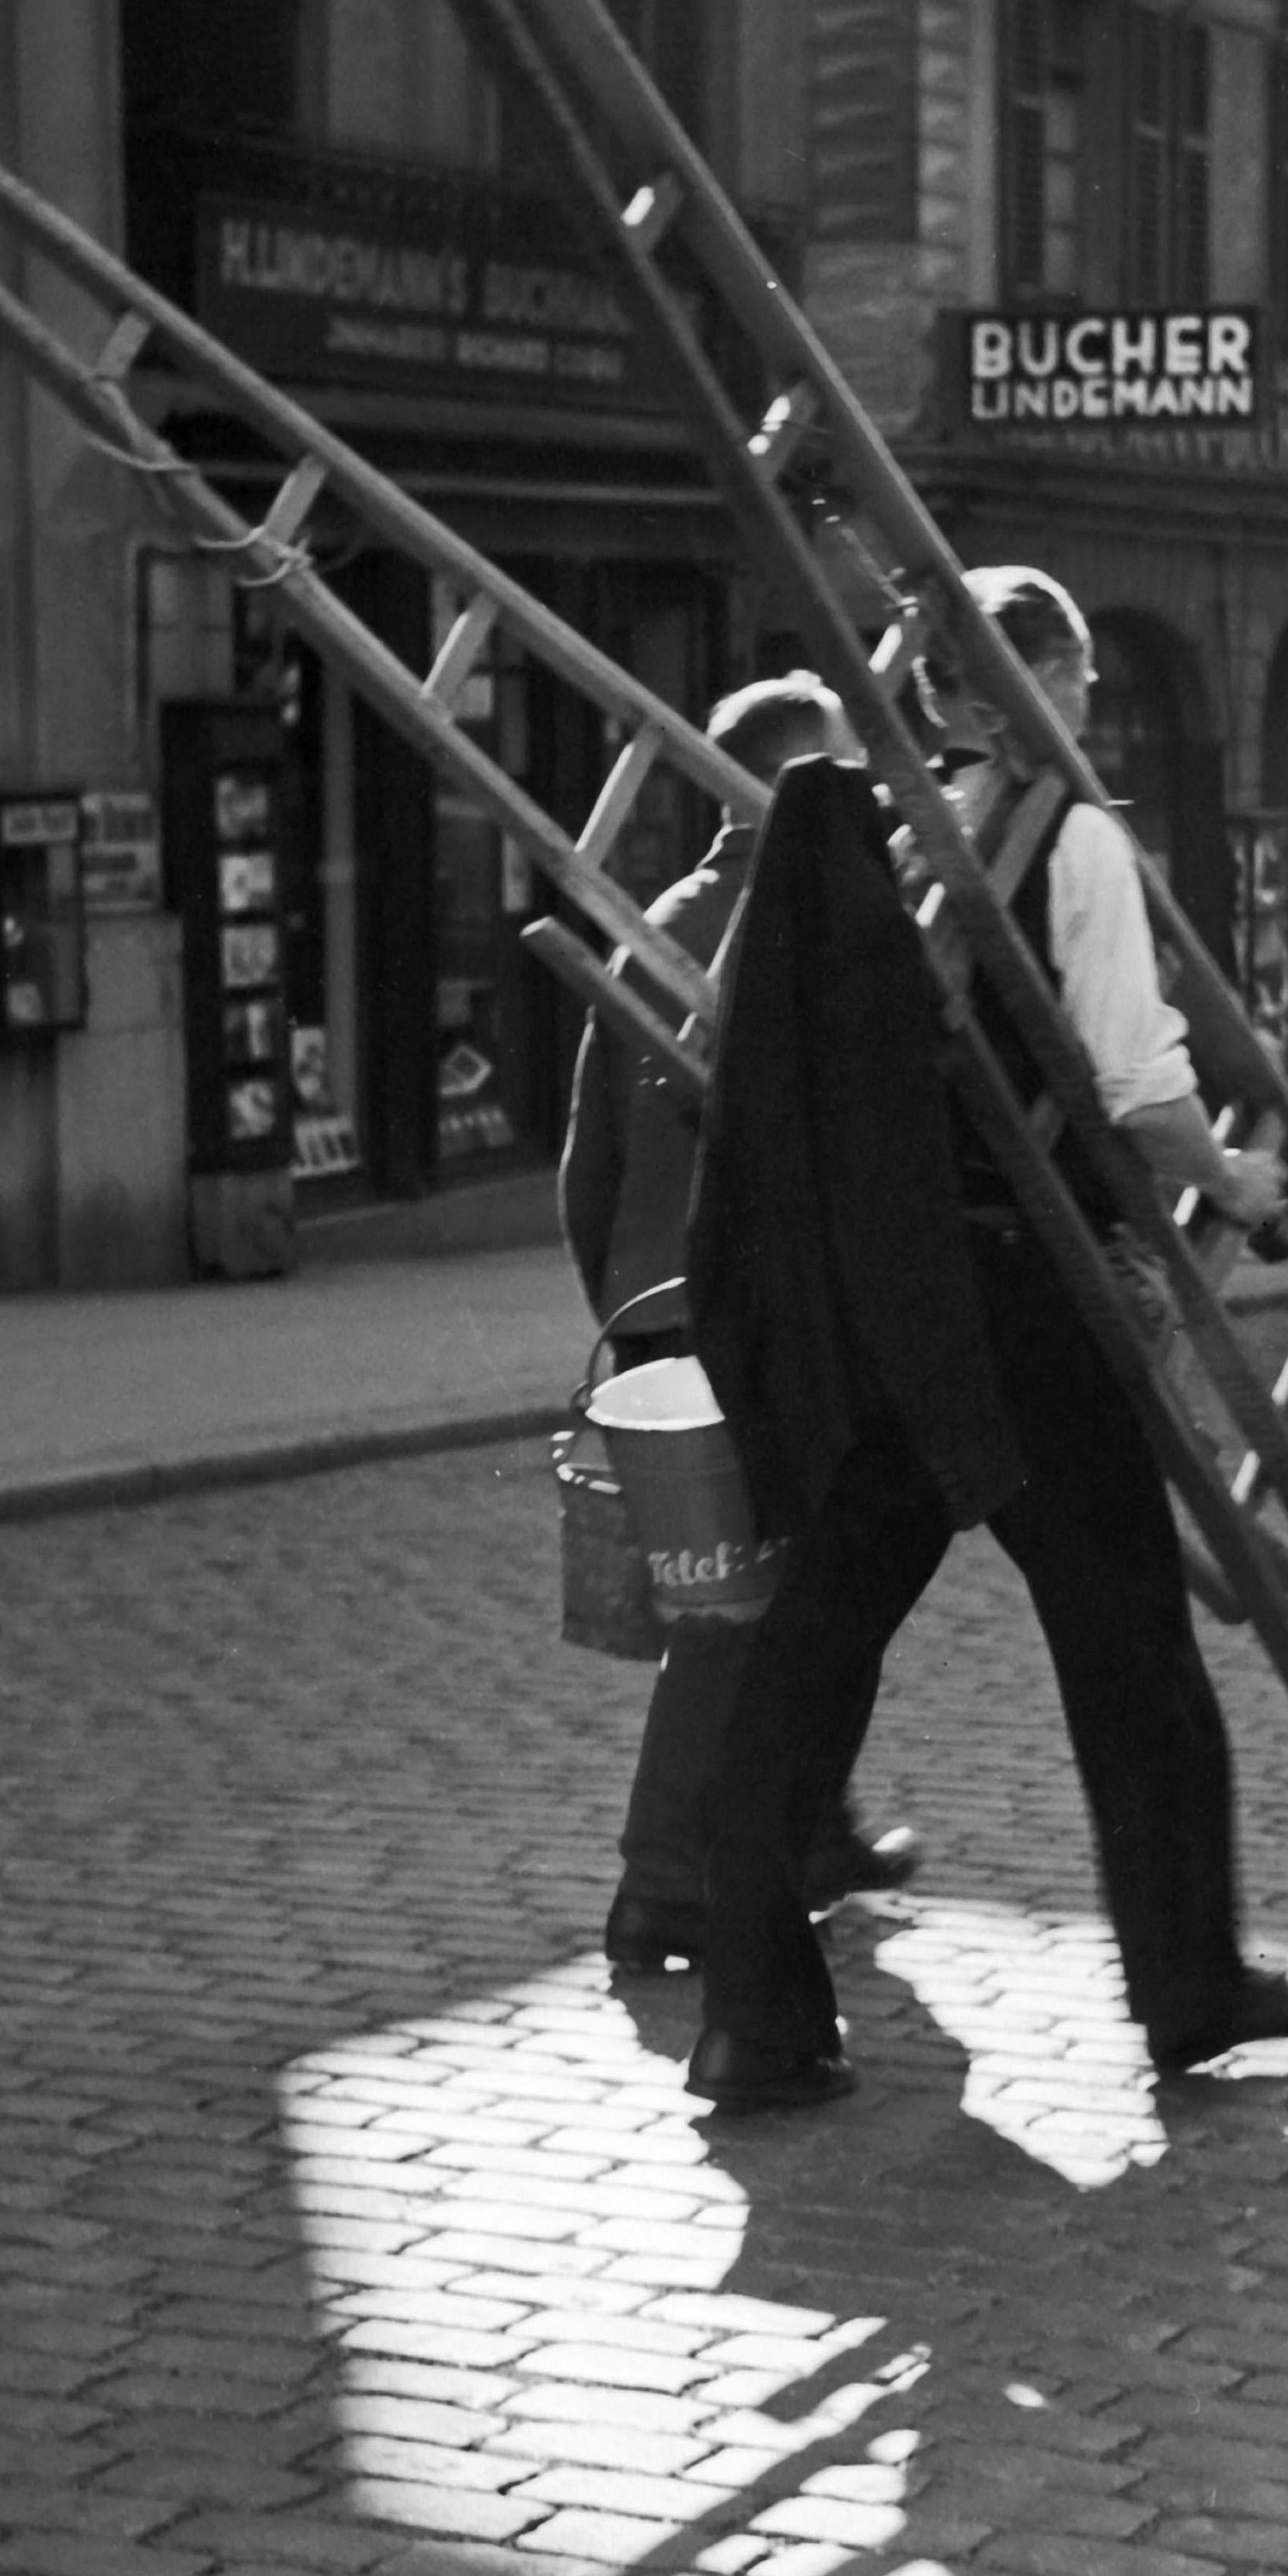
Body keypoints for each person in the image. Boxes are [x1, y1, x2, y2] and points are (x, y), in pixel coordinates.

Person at [678, 566, 1288, 2118]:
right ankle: (1187, 1984)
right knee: (1131, 1648)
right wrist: (1240, 1183)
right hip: (1029, 1293)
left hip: (900, 1291)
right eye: (1066, 678)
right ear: (1001, 690)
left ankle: (752, 2018)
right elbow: (1142, 1092)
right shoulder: (1076, 837)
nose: (1081, 709)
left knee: (817, 1639)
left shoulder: (896, 832)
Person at [559, 673, 920, 1980]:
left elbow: (584, 1161)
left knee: (798, 1593)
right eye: (845, 767)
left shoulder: (655, 920)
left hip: (664, 1320)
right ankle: (661, 1885)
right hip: (749, 1320)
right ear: (798, 778)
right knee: (731, 1615)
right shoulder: (808, 906)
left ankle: (812, 1832)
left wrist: (623, 1306)